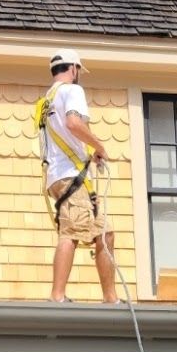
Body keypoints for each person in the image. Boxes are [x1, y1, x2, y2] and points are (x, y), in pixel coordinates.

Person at [39, 49, 119, 304]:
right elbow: (74, 123)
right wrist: (100, 146)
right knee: (71, 232)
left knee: (105, 233)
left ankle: (111, 297)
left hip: (64, 175)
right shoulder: (72, 90)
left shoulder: (46, 100)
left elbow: (65, 134)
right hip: (70, 176)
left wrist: (87, 155)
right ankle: (57, 295)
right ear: (73, 69)